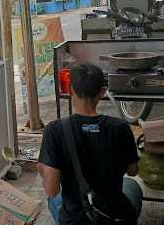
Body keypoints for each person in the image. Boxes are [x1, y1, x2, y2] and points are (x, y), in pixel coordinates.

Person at [38, 62, 142, 225]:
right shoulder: (120, 127)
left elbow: (52, 190)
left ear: (70, 89)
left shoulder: (54, 130)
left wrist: (44, 170)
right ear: (102, 92)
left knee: (53, 201)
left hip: (76, 221)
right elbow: (133, 171)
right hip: (113, 217)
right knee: (133, 186)